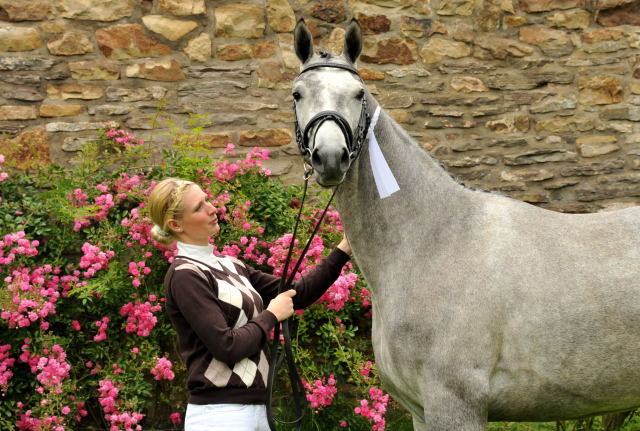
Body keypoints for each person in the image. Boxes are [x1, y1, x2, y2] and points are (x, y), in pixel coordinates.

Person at [147, 178, 352, 431]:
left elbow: (298, 293)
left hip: (256, 410)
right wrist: (271, 315)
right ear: (175, 224)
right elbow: (227, 346)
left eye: (207, 200)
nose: (212, 208)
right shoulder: (185, 274)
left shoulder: (231, 265)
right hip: (219, 415)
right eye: (199, 207)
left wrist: (344, 248)